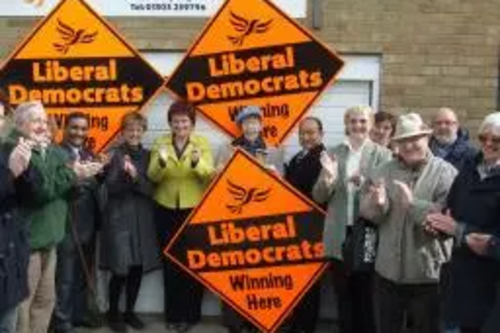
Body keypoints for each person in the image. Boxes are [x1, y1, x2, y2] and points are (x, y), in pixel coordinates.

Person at [1, 101, 103, 333]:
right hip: (30, 241)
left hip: (52, 239)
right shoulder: (16, 148)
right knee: (22, 305)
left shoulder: (48, 149)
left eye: (44, 121)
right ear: (20, 123)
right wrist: (71, 173)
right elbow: (41, 192)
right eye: (36, 120)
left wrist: (78, 178)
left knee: (45, 302)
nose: (43, 126)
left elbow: (63, 192)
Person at [360, 113, 457, 333]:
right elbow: (366, 212)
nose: (409, 145)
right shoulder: (382, 171)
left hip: (428, 275)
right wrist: (377, 204)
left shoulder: (446, 173)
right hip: (387, 273)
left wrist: (413, 205)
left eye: (415, 139)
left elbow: (450, 220)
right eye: (403, 141)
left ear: (426, 138)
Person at [312, 105, 391, 333]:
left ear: (371, 124)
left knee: (366, 294)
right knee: (342, 293)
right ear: (346, 124)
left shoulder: (383, 154)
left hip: (367, 232)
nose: (358, 126)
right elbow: (318, 196)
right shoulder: (334, 153)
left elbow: (387, 196)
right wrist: (327, 178)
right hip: (339, 233)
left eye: (363, 121)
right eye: (353, 121)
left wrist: (365, 182)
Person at [426, 112, 500, 333]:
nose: (488, 143)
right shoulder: (468, 170)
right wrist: (438, 227)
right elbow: (452, 214)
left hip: (493, 287)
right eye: (483, 137)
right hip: (463, 281)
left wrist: (461, 231)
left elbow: (487, 240)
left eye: (496, 139)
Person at [147, 101, 214, 333]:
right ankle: (173, 315)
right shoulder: (160, 142)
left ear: (192, 123)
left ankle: (191, 315)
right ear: (170, 123)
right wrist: (162, 162)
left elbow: (209, 176)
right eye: (176, 121)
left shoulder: (202, 143)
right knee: (170, 264)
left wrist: (197, 163)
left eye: (185, 121)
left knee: (192, 263)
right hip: (165, 208)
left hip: (193, 209)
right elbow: (153, 176)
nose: (180, 125)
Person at [219, 105, 284, 333]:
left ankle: (258, 319)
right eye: (246, 123)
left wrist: (274, 176)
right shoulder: (227, 149)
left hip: (264, 221)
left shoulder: (275, 151)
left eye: (255, 122)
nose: (251, 126)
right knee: (234, 271)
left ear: (261, 125)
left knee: (260, 273)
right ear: (240, 126)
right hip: (235, 218)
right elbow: (218, 181)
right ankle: (235, 322)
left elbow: (283, 190)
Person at [101, 112, 160, 332]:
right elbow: (111, 188)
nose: (134, 133)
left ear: (143, 131)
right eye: (130, 129)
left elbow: (151, 189)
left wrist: (135, 177)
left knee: (137, 268)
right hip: (119, 217)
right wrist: (129, 178)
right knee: (120, 268)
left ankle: (130, 313)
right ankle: (113, 313)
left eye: (138, 129)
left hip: (142, 217)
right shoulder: (113, 154)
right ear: (123, 132)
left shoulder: (149, 156)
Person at [52, 112, 104, 333]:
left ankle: (79, 313)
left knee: (84, 272)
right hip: (67, 221)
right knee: (65, 274)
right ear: (65, 128)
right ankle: (62, 319)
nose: (79, 133)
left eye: (83, 129)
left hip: (88, 222)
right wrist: (80, 180)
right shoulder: (56, 153)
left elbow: (93, 187)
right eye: (74, 127)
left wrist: (99, 175)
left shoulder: (89, 154)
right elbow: (57, 187)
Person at [282, 117, 326, 333]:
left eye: (311, 133)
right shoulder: (297, 157)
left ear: (321, 134)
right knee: (297, 279)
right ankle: (297, 322)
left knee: (309, 282)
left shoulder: (324, 158)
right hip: (294, 227)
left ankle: (305, 326)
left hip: (312, 228)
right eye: (302, 133)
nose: (306, 137)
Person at [0, 93, 39, 333]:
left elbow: (31, 197)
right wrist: (10, 175)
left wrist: (24, 172)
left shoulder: (7, 150)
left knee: (8, 325)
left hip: (11, 257)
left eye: (1, 117)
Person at [429, 107, 478, 172]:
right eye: (438, 123)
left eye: (447, 123)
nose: (442, 127)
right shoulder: (424, 151)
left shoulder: (472, 154)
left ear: (456, 126)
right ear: (432, 126)